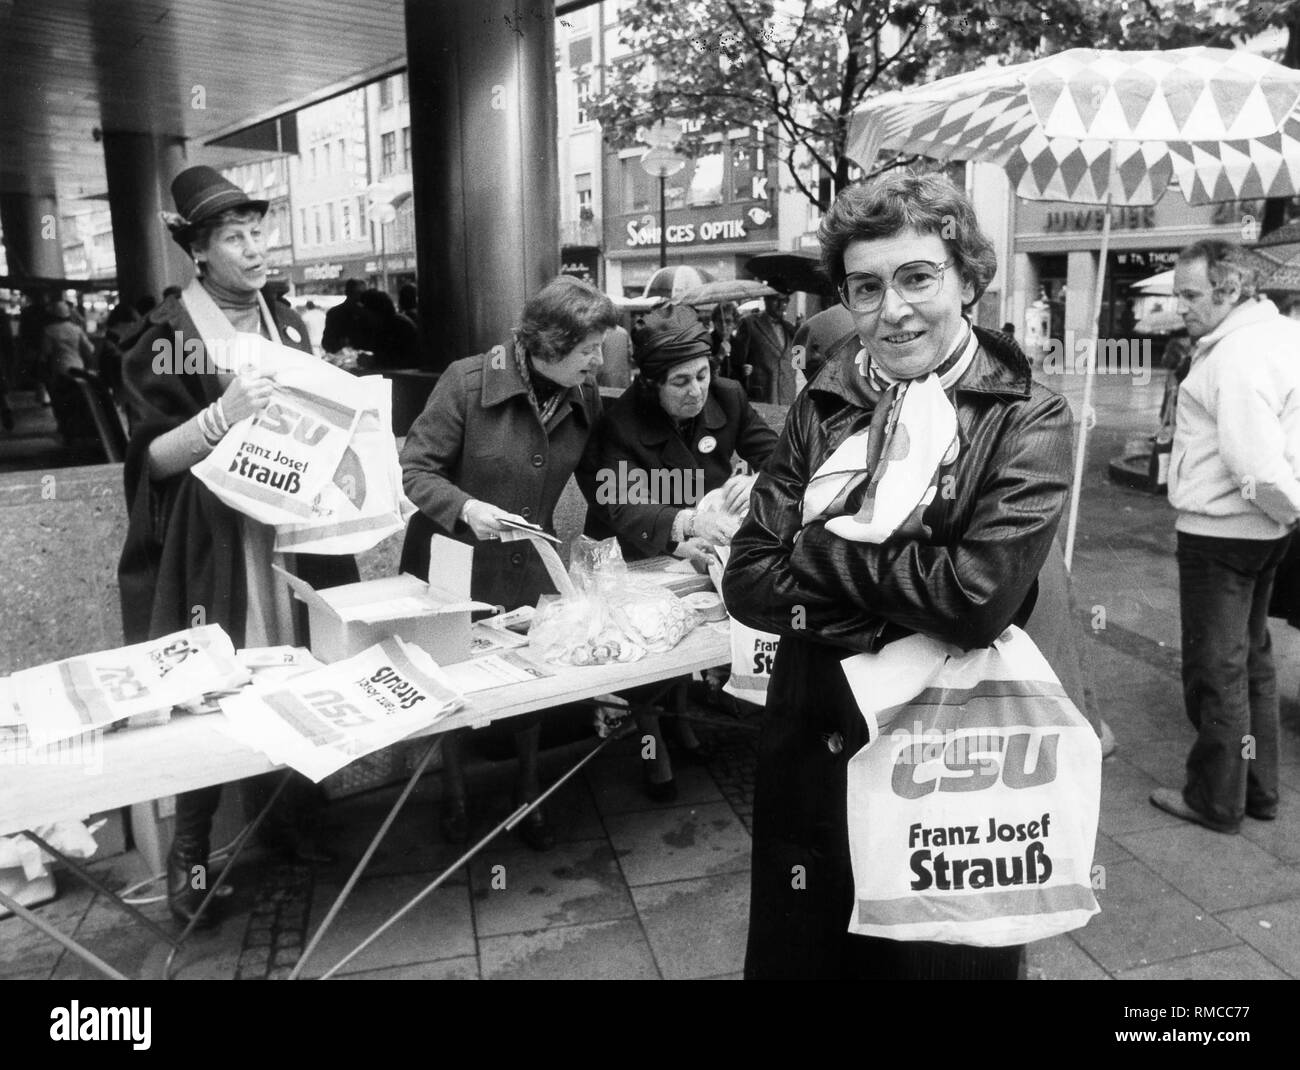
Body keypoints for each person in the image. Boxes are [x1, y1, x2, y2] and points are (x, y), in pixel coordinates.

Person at [721, 172, 1074, 979]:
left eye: (918, 277)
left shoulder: (1026, 414)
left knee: (931, 963)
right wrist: (898, 616)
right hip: (814, 745)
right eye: (867, 287)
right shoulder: (825, 400)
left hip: (944, 755)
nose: (894, 308)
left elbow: (975, 599)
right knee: (811, 955)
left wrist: (811, 554)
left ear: (968, 279)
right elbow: (747, 576)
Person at [117, 165, 358, 927]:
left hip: (290, 533)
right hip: (215, 543)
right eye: (235, 237)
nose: (256, 249)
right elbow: (150, 461)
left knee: (299, 667)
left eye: (259, 231)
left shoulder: (285, 320)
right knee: (209, 685)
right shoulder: (169, 340)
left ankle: (294, 820)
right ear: (198, 251)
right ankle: (191, 853)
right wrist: (221, 416)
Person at [400, 275, 618, 850]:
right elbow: (416, 470)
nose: (598, 362)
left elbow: (607, 484)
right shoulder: (467, 382)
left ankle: (529, 793)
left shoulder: (583, 397)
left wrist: (683, 518)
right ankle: (455, 795)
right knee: (448, 684)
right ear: (547, 344)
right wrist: (466, 507)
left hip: (525, 569)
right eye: (588, 349)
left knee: (529, 686)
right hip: (450, 567)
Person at [581, 303, 778, 798]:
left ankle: (683, 717)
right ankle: (652, 739)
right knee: (650, 648)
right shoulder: (621, 423)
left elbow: (780, 456)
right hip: (638, 547)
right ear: (651, 383)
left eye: (703, 375)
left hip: (703, 546)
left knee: (693, 636)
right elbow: (618, 503)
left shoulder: (728, 398)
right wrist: (682, 524)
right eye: (680, 382)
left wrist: (755, 480)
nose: (697, 391)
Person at [1149, 240, 1300, 833]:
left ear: (1230, 289)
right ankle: (1258, 789)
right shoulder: (1279, 337)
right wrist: (1283, 516)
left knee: (1218, 670)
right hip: (1262, 534)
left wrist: (1284, 508)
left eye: (1190, 294)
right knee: (1253, 662)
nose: (1179, 306)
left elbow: (1256, 462)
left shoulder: (1236, 356)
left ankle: (1216, 798)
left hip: (1221, 535)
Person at [42, 300, 94, 444]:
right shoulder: (76, 329)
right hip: (78, 369)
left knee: (61, 403)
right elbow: (89, 349)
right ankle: (79, 431)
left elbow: (46, 352)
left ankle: (66, 431)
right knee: (78, 402)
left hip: (59, 371)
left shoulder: (48, 330)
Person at [732, 292, 796, 403]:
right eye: (777, 300)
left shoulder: (790, 329)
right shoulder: (749, 324)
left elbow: (799, 364)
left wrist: (802, 336)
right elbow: (736, 363)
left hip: (787, 399)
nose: (782, 305)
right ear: (766, 299)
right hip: (761, 398)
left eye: (785, 301)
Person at [357, 288, 419, 368]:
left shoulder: (398, 325)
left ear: (374, 310)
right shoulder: (384, 323)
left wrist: (374, 360)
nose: (362, 314)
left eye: (365, 309)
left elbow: (405, 360)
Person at [321, 278, 379, 357]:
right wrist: (344, 342)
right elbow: (327, 343)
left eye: (364, 294)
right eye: (358, 293)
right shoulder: (335, 314)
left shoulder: (369, 314)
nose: (361, 297)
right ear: (348, 293)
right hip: (343, 359)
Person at [708, 301, 740, 380]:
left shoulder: (739, 343)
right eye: (720, 321)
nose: (723, 325)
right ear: (714, 323)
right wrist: (719, 357)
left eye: (728, 321)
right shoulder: (707, 342)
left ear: (735, 323)